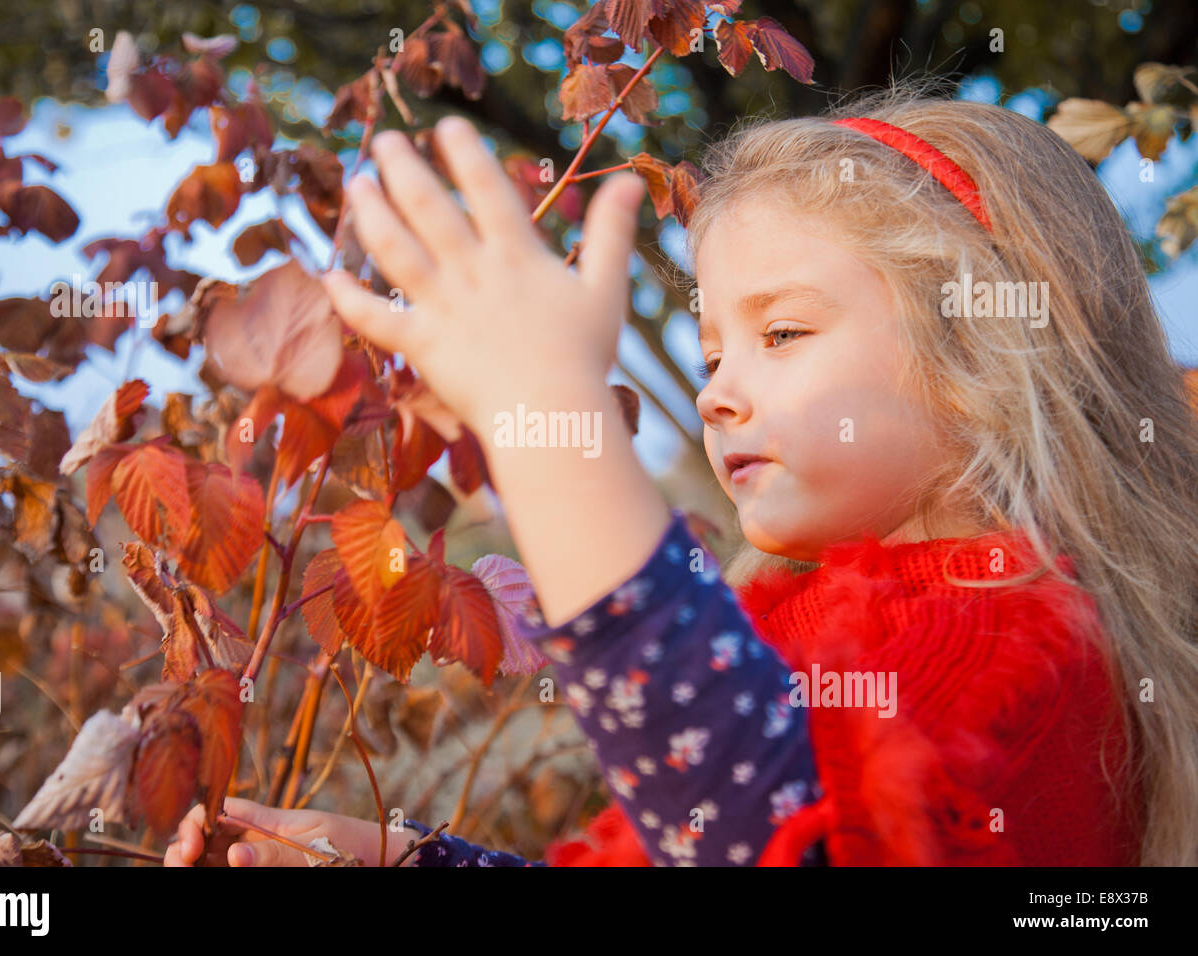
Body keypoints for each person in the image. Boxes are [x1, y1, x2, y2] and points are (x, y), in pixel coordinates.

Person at [166, 80, 1198, 868]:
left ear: (984, 351)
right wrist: (408, 857)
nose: (716, 393)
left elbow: (766, 831)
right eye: (711, 355)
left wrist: (553, 428)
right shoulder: (824, 627)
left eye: (782, 329)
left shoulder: (1003, 640)